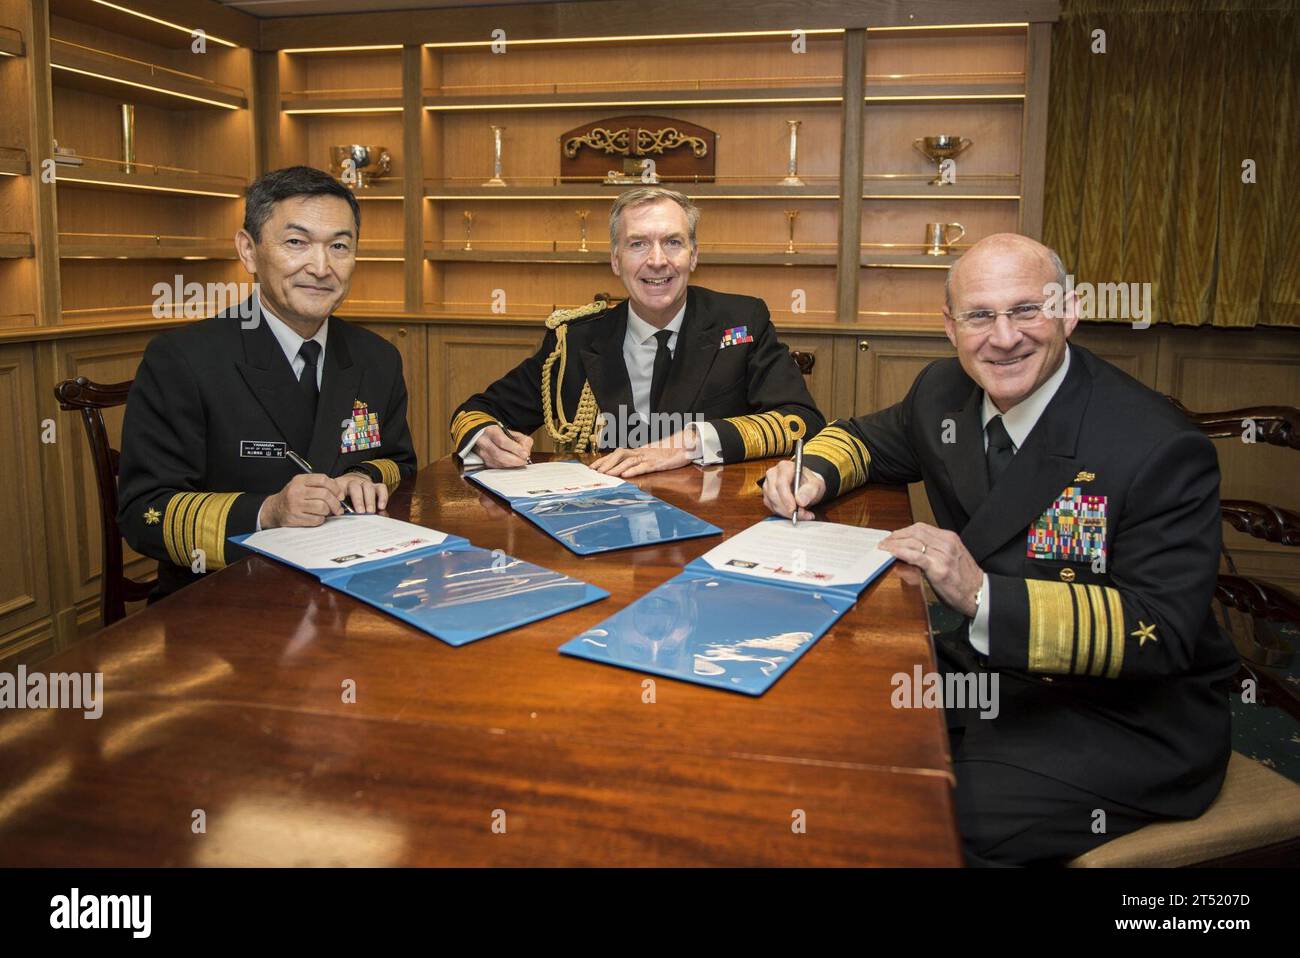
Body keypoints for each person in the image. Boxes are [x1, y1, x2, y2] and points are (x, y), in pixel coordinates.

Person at [763, 233, 1238, 865]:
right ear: (950, 326)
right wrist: (811, 473)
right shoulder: (943, 393)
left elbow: (1160, 631)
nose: (1004, 337)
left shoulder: (1154, 444)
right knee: (828, 727)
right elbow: (865, 440)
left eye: (1026, 310)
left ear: (1069, 312)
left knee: (921, 820)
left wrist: (982, 596)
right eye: (980, 315)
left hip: (1125, 718)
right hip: (988, 677)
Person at [118, 166, 417, 599]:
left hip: (352, 592)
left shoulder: (378, 358)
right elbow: (144, 513)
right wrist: (267, 512)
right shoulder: (184, 360)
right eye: (296, 242)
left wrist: (362, 475)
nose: (321, 266)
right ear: (249, 251)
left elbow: (399, 464)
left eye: (339, 246)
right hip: (226, 602)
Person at [450, 186, 824, 477]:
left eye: (673, 242)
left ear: (694, 255)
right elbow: (478, 412)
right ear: (616, 260)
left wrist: (689, 443)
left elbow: (800, 420)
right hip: (604, 524)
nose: (657, 260)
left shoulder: (741, 321)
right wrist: (485, 438)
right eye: (638, 244)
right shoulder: (576, 339)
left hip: (712, 519)